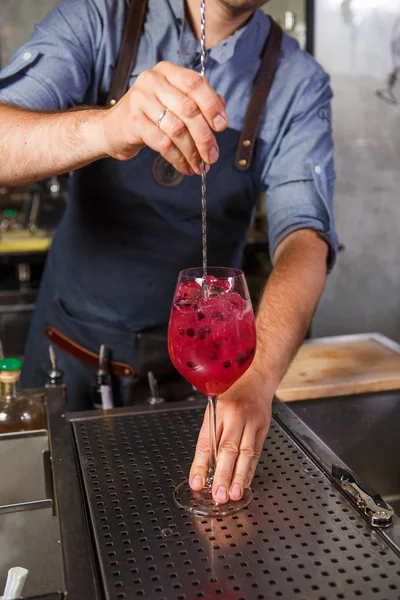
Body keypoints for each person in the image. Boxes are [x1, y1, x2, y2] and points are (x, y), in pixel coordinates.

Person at [0, 0, 338, 505]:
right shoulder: (100, 17)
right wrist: (108, 127)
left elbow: (304, 240)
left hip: (206, 383)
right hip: (67, 360)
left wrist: (259, 374)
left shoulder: (298, 81)